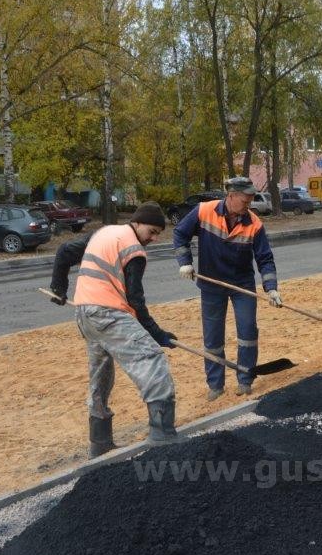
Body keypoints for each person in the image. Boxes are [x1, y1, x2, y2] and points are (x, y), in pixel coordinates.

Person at [48, 202, 183, 458]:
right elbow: (136, 301)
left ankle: (100, 443)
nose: (153, 239)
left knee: (100, 374)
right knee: (152, 359)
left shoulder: (104, 233)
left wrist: (58, 287)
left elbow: (65, 252)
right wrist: (158, 335)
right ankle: (162, 434)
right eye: (152, 231)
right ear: (138, 222)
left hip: (85, 315)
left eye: (157, 234)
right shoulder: (134, 250)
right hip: (109, 315)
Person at [173, 176, 281, 400]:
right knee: (212, 338)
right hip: (212, 284)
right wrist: (185, 262)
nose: (248, 205)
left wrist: (271, 288)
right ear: (231, 196)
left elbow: (265, 259)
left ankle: (245, 379)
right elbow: (180, 233)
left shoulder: (254, 224)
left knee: (248, 331)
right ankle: (215, 385)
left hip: (242, 285)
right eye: (245, 200)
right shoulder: (204, 211)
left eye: (251, 200)